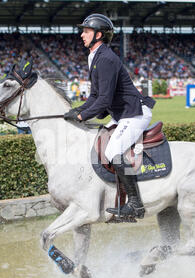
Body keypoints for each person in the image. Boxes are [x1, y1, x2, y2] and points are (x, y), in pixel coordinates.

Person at [63, 14, 156, 220]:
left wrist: (81, 115)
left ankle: (135, 204)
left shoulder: (105, 58)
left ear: (98, 35)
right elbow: (95, 95)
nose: (81, 35)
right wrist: (78, 110)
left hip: (133, 113)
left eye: (86, 31)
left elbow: (103, 100)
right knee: (99, 142)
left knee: (114, 150)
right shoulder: (95, 56)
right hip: (122, 114)